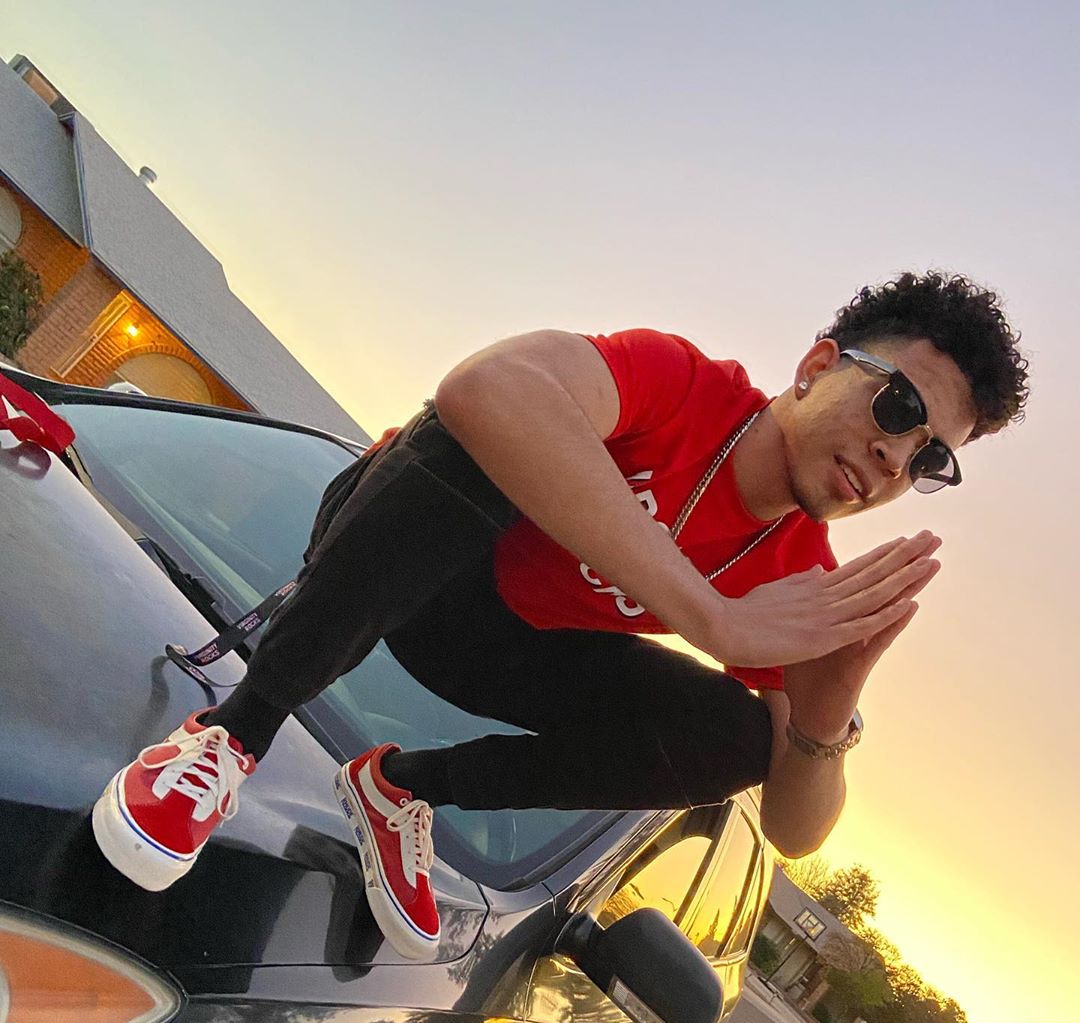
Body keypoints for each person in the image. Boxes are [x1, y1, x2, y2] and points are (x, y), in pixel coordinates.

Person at [90, 272, 1027, 959]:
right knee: (490, 427)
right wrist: (711, 616)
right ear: (818, 366)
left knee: (742, 738)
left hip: (494, 648)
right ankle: (231, 735)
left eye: (930, 458)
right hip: (402, 542)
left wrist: (828, 717)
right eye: (896, 405)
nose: (896, 458)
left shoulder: (799, 575)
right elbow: (487, 390)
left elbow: (794, 830)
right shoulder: (685, 387)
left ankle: (401, 789)